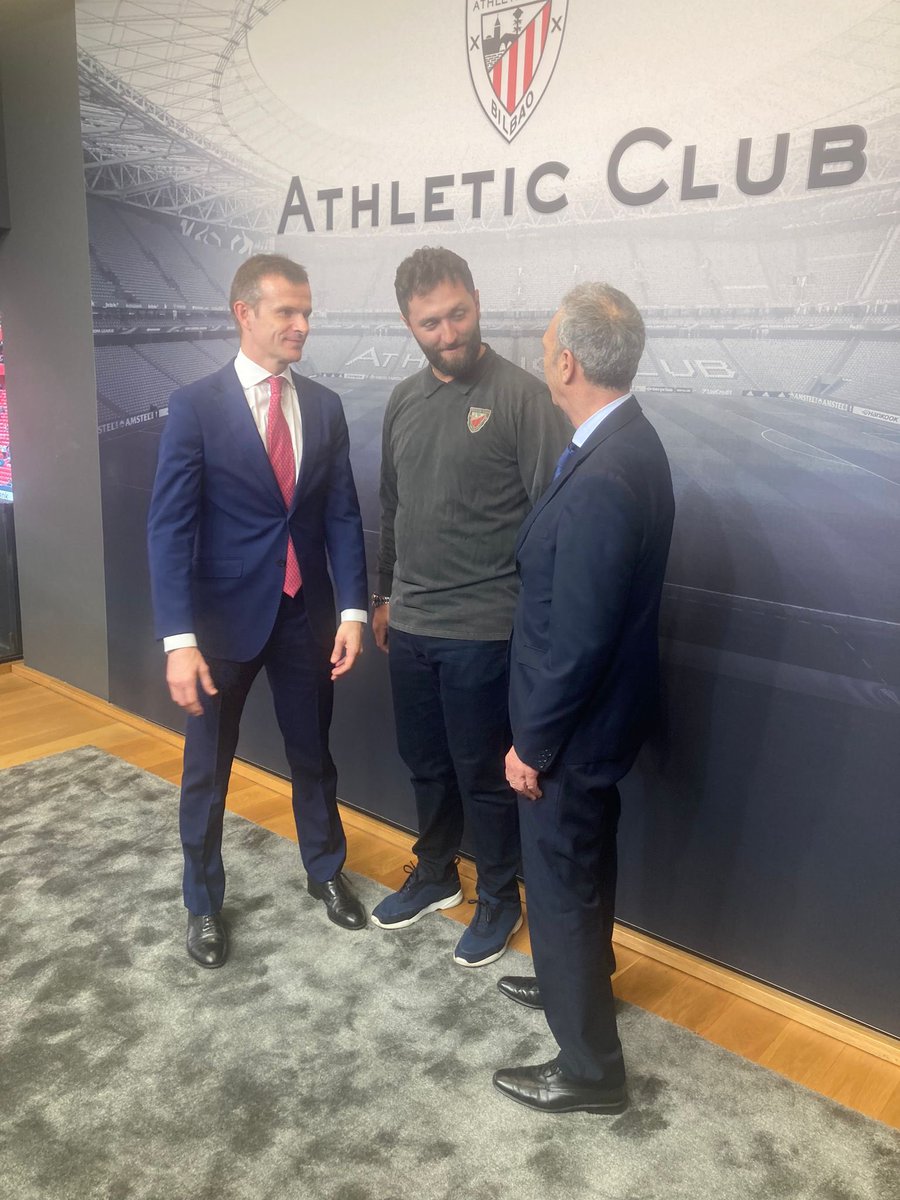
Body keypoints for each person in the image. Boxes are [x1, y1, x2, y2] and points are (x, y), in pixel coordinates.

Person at [147, 253, 368, 969]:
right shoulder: (194, 406)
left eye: (307, 312)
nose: (303, 325)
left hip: (307, 616)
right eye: (287, 313)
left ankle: (325, 869)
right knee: (208, 768)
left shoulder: (325, 407)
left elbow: (341, 516)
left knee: (313, 755)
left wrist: (355, 610)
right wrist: (179, 638)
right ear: (245, 313)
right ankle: (204, 902)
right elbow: (169, 527)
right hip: (219, 626)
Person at [493, 283, 674, 1113]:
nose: (541, 359)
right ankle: (578, 985)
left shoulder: (608, 472)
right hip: (600, 722)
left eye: (544, 347)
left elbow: (581, 639)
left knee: (562, 882)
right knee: (586, 867)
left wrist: (531, 745)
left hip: (572, 730)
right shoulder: (626, 442)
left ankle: (591, 1074)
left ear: (566, 361)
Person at [371, 246, 567, 967]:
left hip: (487, 628)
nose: (448, 333)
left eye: (458, 314)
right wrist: (385, 594)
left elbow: (552, 523)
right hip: (413, 624)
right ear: (408, 323)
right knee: (423, 762)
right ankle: (434, 875)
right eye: (431, 323)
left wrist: (535, 628)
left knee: (483, 774)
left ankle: (497, 898)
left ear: (477, 302)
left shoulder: (521, 397)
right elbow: (392, 508)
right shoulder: (402, 401)